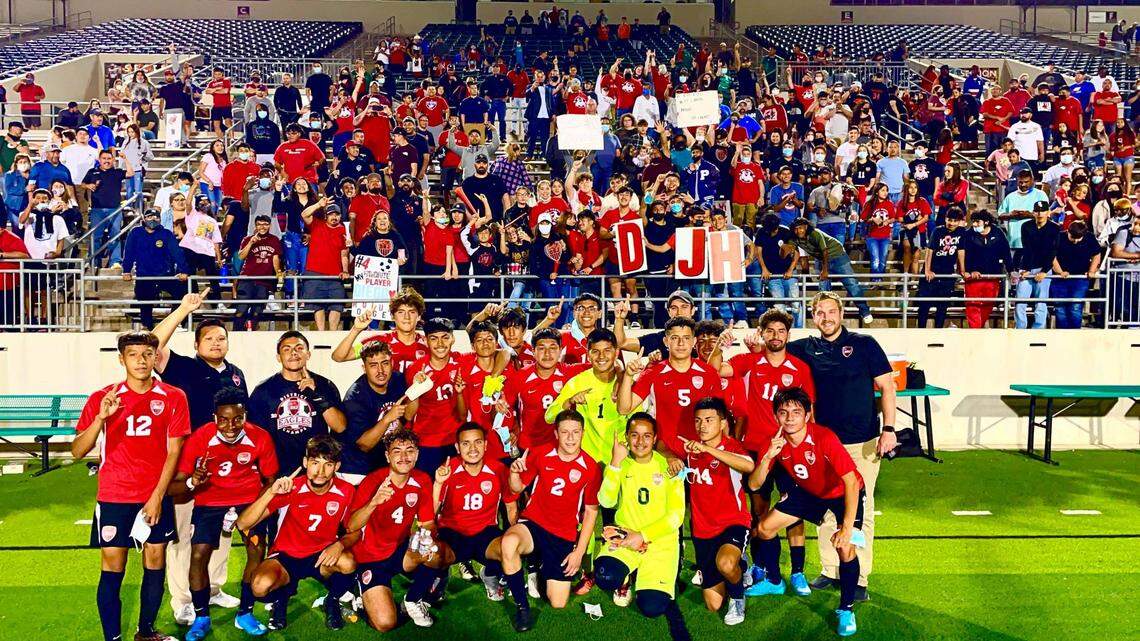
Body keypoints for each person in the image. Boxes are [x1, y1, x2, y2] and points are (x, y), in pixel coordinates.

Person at [71, 330, 190, 641]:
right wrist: (100, 418)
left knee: (155, 561)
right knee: (113, 567)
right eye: (133, 354)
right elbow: (77, 451)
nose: (141, 360)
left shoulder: (174, 397)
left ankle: (145, 631)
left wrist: (157, 496)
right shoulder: (103, 398)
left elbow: (174, 451)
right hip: (114, 495)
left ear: (155, 357)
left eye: (147, 354)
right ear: (121, 359)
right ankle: (112, 637)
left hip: (154, 495)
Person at [786, 291, 896, 601]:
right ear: (813, 316)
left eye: (830, 311)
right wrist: (752, 343)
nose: (825, 317)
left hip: (863, 442)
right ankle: (830, 568)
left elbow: (888, 386)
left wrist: (889, 429)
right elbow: (775, 350)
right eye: (819, 312)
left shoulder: (865, 344)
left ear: (841, 312)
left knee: (862, 509)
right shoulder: (806, 348)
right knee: (826, 508)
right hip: (823, 444)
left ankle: (859, 575)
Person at [747, 387, 866, 637]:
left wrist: (846, 528)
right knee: (764, 529)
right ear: (776, 416)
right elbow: (754, 484)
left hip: (842, 493)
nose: (790, 418)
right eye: (783, 412)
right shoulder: (775, 441)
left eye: (796, 412)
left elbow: (851, 482)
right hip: (810, 492)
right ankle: (775, 581)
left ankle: (846, 609)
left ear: (808, 414)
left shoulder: (824, 437)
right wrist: (769, 455)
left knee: (845, 547)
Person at [169, 387, 280, 639]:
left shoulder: (260, 437)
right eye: (223, 420)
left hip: (248, 501)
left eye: (238, 419)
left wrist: (256, 508)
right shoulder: (200, 438)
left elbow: (270, 479)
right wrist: (193, 482)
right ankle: (201, 617)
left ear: (245, 416)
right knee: (198, 555)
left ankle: (245, 613)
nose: (231, 426)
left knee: (256, 549)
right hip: (210, 502)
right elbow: (176, 485)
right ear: (214, 417)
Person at [236, 435, 357, 631]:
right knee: (259, 586)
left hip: (321, 554)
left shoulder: (347, 491)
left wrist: (340, 544)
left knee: (348, 562)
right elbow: (242, 523)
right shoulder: (291, 488)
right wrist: (271, 493)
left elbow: (355, 531)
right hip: (286, 556)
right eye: (315, 462)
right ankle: (281, 598)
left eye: (328, 464)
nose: (320, 471)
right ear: (305, 462)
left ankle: (332, 601)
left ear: (337, 466)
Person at [495, 409, 601, 631]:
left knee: (558, 603)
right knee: (509, 542)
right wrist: (514, 472)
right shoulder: (540, 453)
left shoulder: (591, 467)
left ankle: (538, 565)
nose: (571, 438)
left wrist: (578, 552)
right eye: (565, 432)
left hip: (562, 535)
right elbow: (516, 488)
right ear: (556, 434)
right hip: (533, 524)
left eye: (575, 432)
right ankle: (522, 607)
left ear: (583, 433)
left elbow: (591, 513)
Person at [594, 414, 691, 641]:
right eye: (634, 435)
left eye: (647, 436)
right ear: (627, 437)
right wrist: (615, 463)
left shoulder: (670, 467)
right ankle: (625, 578)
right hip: (625, 537)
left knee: (652, 607)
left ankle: (649, 575)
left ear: (655, 438)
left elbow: (676, 516)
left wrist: (643, 535)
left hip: (660, 543)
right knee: (605, 576)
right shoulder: (622, 463)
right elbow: (606, 501)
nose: (640, 441)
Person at [345, 428, 442, 630]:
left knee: (437, 553)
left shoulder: (422, 479)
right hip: (370, 556)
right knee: (386, 623)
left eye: (410, 450)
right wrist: (373, 503)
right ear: (387, 455)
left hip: (400, 550)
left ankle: (412, 599)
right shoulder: (372, 481)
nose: (404, 457)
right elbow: (351, 525)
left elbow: (427, 523)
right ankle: (359, 592)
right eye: (397, 451)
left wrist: (425, 538)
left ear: (417, 454)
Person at [414, 423, 519, 605]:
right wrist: (438, 484)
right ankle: (440, 577)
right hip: (452, 533)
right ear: (457, 447)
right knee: (431, 552)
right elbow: (431, 513)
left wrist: (517, 536)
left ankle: (490, 573)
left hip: (486, 533)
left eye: (478, 442)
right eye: (466, 443)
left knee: (511, 547)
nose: (472, 449)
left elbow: (511, 508)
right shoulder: (448, 469)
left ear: (486, 445)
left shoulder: (499, 469)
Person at [680, 397, 755, 626]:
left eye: (709, 420)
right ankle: (741, 565)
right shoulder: (691, 451)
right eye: (698, 420)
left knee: (725, 565)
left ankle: (738, 598)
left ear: (722, 423)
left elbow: (748, 466)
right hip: (703, 531)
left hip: (733, 522)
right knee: (712, 605)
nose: (702, 426)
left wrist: (709, 450)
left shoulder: (732, 447)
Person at [617, 317, 721, 468]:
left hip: (702, 452)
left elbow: (719, 419)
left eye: (686, 338)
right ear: (666, 342)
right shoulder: (653, 372)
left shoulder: (709, 373)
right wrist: (628, 376)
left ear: (693, 342)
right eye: (675, 338)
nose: (681, 343)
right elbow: (623, 408)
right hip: (665, 455)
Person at [248, 331, 346, 473]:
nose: (293, 353)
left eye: (299, 348)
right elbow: (255, 437)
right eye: (286, 349)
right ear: (278, 357)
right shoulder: (263, 390)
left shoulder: (325, 385)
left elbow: (340, 427)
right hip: (278, 472)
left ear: (308, 354)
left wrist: (316, 394)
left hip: (317, 472)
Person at [787, 218, 873, 324]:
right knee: (823, 290)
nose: (798, 231)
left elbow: (825, 251)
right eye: (795, 229)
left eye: (800, 228)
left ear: (806, 227)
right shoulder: (794, 238)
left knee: (851, 283)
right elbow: (793, 251)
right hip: (823, 260)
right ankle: (825, 316)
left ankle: (865, 312)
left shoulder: (815, 233)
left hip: (838, 256)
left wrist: (825, 270)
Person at [332, 287, 427, 374]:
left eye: (412, 312)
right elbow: (338, 357)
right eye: (401, 312)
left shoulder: (429, 344)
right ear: (393, 316)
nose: (406, 317)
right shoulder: (379, 342)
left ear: (419, 316)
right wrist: (356, 330)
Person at [121, 208, 188, 329]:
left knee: (182, 293)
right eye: (150, 217)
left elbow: (177, 253)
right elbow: (129, 252)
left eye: (156, 217)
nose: (153, 219)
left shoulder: (166, 234)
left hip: (165, 275)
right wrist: (126, 270)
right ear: (144, 219)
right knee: (144, 300)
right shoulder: (136, 233)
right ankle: (147, 327)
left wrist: (183, 270)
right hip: (144, 276)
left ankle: (175, 323)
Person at [957, 210, 1013, 328]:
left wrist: (1011, 270)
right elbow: (963, 254)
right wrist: (969, 270)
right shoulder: (968, 235)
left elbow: (1006, 253)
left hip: (993, 277)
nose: (974, 224)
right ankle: (975, 332)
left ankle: (980, 330)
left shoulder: (998, 233)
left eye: (977, 222)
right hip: (973, 278)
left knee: (987, 306)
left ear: (986, 222)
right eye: (973, 222)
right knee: (973, 305)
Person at [82, 149, 134, 269]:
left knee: (115, 235)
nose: (106, 161)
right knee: (96, 236)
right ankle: (94, 262)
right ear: (99, 160)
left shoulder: (117, 172)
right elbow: (83, 183)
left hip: (115, 210)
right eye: (104, 158)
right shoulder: (92, 172)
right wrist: (88, 185)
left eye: (109, 159)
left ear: (113, 160)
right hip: (97, 210)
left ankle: (115, 261)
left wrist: (125, 158)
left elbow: (131, 174)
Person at [918, 206, 967, 328]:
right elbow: (929, 251)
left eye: (955, 221)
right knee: (924, 306)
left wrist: (962, 270)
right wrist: (927, 270)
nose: (952, 223)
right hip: (932, 273)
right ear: (945, 219)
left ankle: (939, 330)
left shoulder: (961, 232)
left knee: (942, 306)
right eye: (949, 220)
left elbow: (961, 251)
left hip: (947, 274)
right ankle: (920, 331)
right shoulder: (937, 231)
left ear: (960, 221)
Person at [1015, 202, 1061, 329]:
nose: (1040, 213)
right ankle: (1020, 328)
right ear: (1034, 212)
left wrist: (1044, 271)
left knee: (1041, 302)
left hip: (1044, 268)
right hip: (1028, 266)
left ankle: (1039, 329)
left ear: (1048, 212)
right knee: (1020, 301)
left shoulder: (1054, 228)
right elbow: (1027, 248)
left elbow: (1053, 251)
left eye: (1042, 211)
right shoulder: (1026, 226)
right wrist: (1026, 269)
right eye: (1037, 211)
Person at [1051, 220, 1102, 329]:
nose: (1075, 241)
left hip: (1080, 279)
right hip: (1059, 279)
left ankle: (1075, 334)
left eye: (1078, 238)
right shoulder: (1059, 237)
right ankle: (1063, 335)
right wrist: (1060, 271)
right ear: (1068, 232)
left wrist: (1092, 270)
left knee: (1076, 307)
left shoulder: (1090, 237)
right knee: (1060, 308)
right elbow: (1052, 257)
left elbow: (1096, 254)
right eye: (1073, 237)